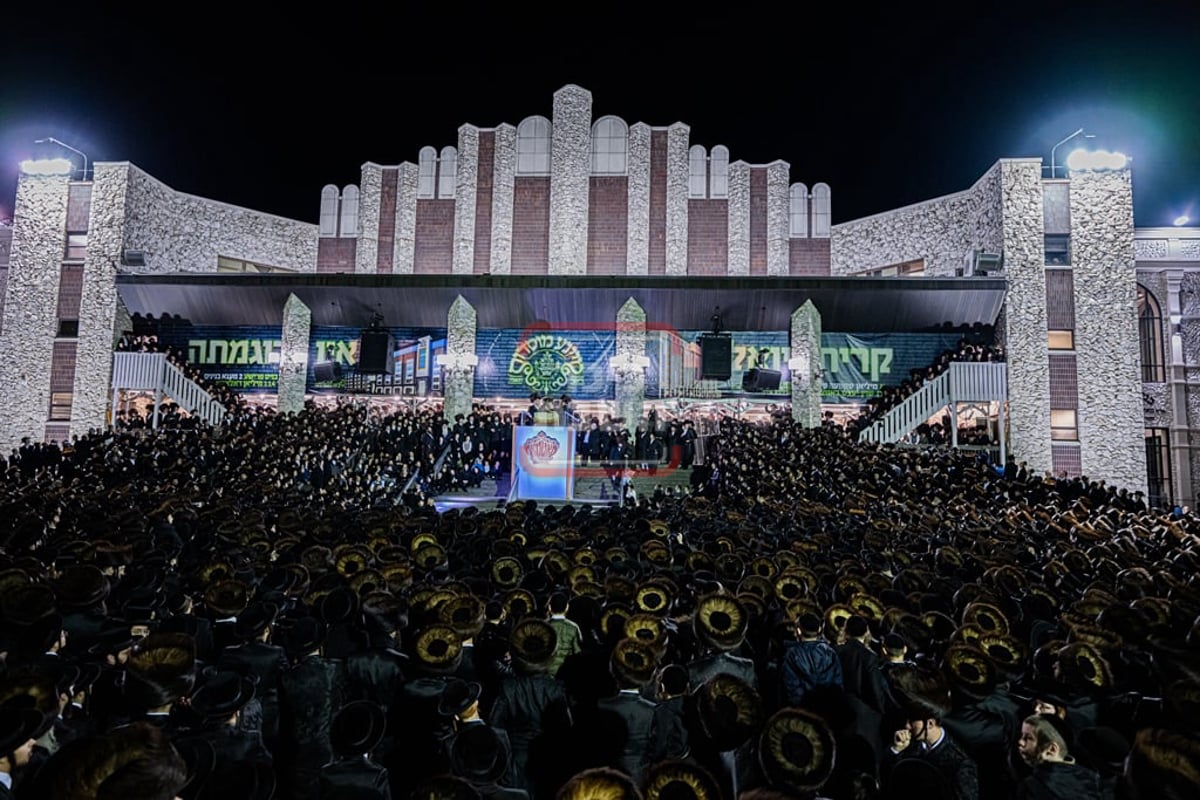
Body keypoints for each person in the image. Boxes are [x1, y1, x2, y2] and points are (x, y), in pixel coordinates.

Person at [1014, 714, 1115, 799]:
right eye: (1022, 736)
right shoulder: (1093, 778)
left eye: (1028, 738)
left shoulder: (1032, 787)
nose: (1020, 742)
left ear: (1052, 749)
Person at [781, 613, 843, 708]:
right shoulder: (830, 653)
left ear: (798, 631)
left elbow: (792, 687)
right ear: (819, 630)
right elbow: (838, 684)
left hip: (803, 711)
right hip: (829, 708)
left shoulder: (791, 655)